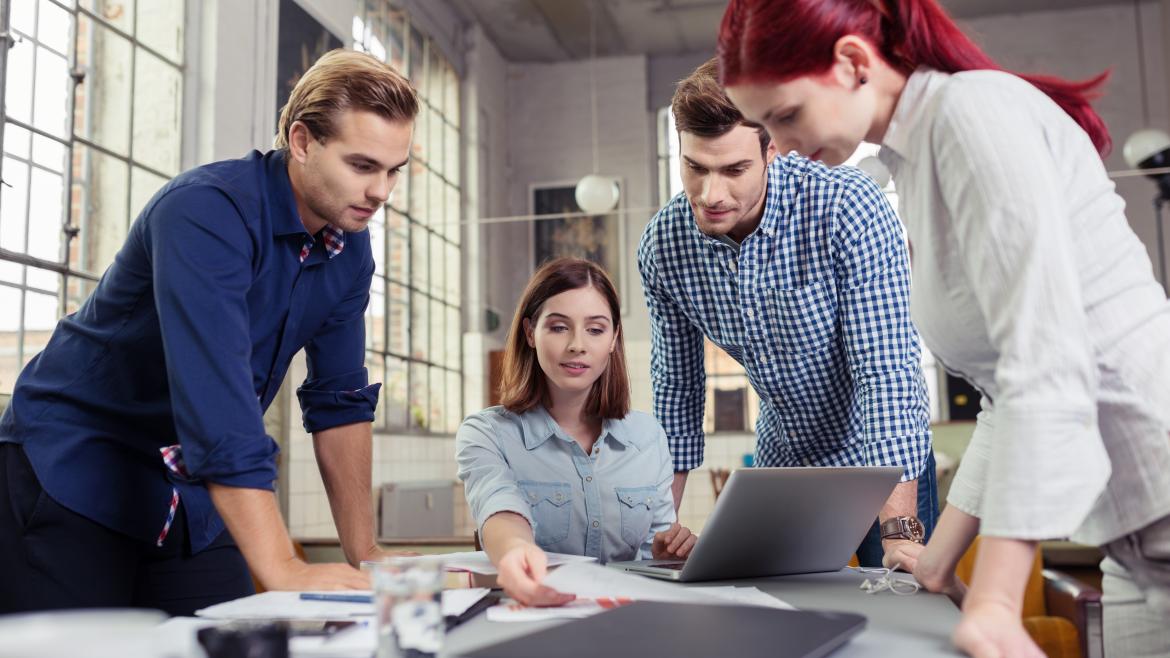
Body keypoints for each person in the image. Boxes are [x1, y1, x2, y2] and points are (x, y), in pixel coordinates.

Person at [717, 1, 1170, 656]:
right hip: (1132, 539)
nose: (781, 148)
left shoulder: (970, 115)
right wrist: (939, 561)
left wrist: (994, 600)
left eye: (785, 116)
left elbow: (1044, 365)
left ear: (850, 62)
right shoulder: (914, 160)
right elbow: (1001, 401)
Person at [0, 49, 418, 615]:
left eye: (395, 170)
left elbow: (339, 401)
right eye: (363, 166)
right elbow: (215, 399)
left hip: (191, 494)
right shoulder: (205, 210)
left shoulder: (350, 249)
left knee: (239, 644)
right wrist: (281, 566)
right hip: (75, 473)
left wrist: (364, 551)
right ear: (301, 142)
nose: (381, 192)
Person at [639, 59, 936, 568]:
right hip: (786, 461)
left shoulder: (847, 208)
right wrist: (658, 524)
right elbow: (677, 393)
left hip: (883, 460)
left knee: (898, 599)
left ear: (771, 148)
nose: (711, 195)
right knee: (775, 610)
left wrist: (899, 534)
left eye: (734, 170)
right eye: (696, 168)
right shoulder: (665, 246)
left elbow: (885, 376)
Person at [457, 258, 696, 606]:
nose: (577, 345)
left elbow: (651, 554)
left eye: (596, 329)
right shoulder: (486, 432)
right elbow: (499, 507)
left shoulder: (649, 436)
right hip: (534, 620)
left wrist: (666, 554)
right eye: (558, 327)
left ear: (614, 338)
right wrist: (516, 550)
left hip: (628, 623)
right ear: (530, 333)